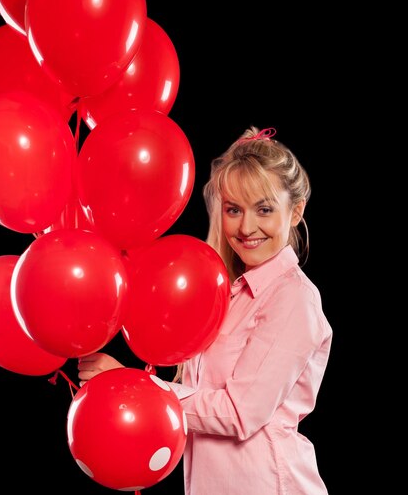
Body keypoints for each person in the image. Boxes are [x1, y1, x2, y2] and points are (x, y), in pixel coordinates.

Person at [78, 126, 333, 495]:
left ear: (295, 212)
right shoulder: (226, 294)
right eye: (233, 209)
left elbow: (239, 413)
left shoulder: (293, 299)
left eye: (264, 209)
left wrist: (136, 388)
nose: (247, 227)